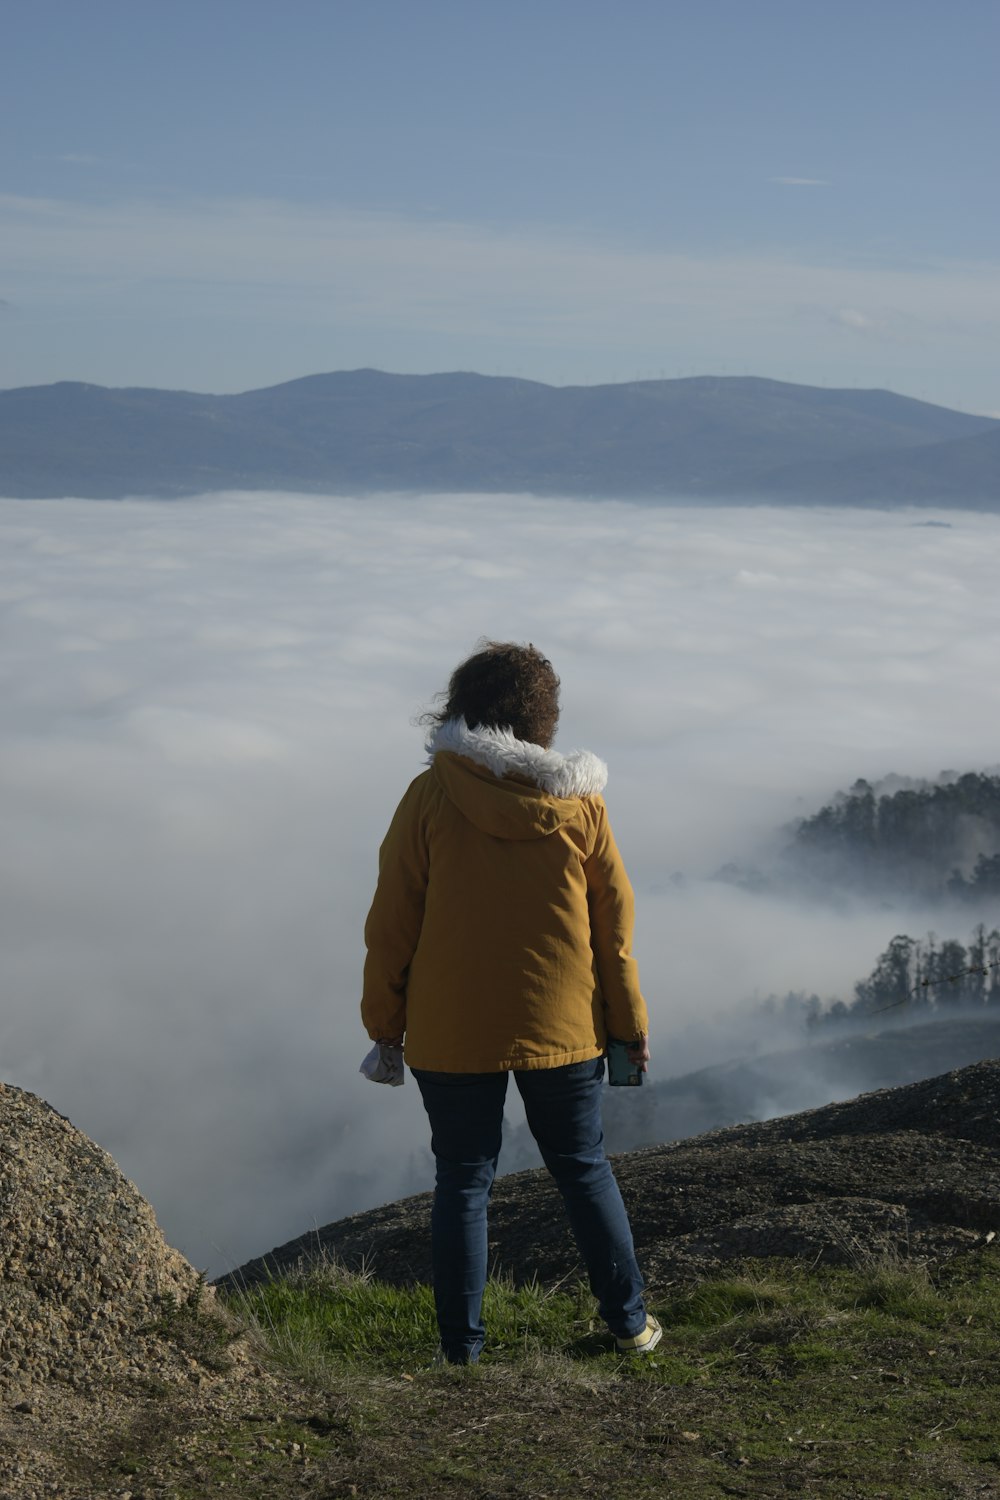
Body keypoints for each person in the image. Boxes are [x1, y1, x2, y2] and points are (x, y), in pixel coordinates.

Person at [360, 640, 659, 1364]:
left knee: (463, 1180)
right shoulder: (582, 807)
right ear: (543, 719)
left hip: (451, 1030)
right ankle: (630, 1326)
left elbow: (391, 925)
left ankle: (461, 1353)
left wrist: (385, 1027)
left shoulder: (429, 797)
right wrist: (628, 1026)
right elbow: (613, 933)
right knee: (583, 1168)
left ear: (463, 708)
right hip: (564, 1028)